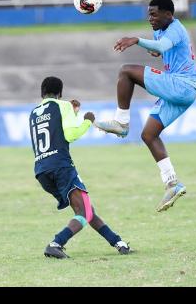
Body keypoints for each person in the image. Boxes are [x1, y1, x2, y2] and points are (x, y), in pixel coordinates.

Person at [94, 0, 196, 213]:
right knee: (148, 135)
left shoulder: (176, 29)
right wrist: (156, 50)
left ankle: (121, 123)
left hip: (181, 85)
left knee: (126, 71)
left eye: (154, 14)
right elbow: (163, 47)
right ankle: (172, 183)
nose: (149, 18)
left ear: (168, 14)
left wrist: (137, 40)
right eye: (148, 14)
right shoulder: (162, 29)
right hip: (183, 90)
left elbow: (163, 44)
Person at [30, 76, 132, 259]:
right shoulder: (63, 106)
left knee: (85, 210)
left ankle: (118, 242)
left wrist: (73, 113)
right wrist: (87, 120)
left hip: (42, 171)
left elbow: (55, 133)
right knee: (83, 212)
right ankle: (55, 244)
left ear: (42, 93)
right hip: (61, 167)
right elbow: (70, 135)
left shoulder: (34, 112)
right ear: (60, 93)